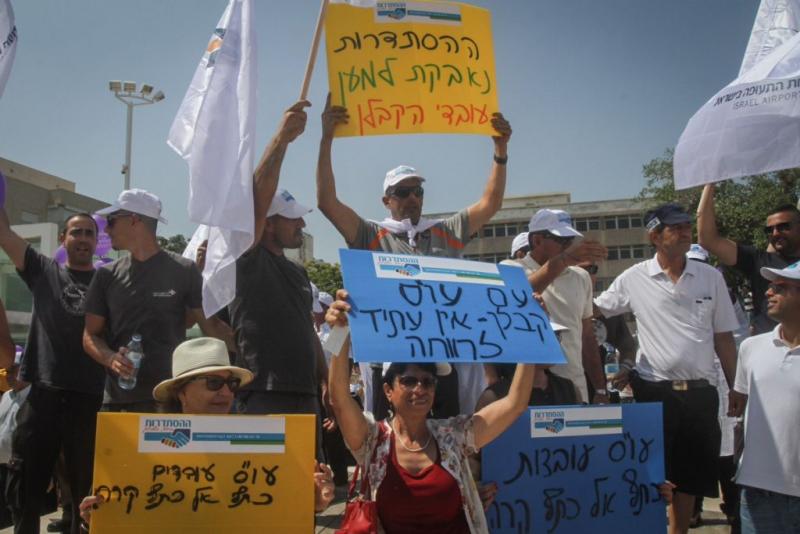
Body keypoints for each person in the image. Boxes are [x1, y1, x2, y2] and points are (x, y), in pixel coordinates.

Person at [317, 95, 512, 416]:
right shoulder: (369, 234)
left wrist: (500, 152)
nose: (412, 198)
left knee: (442, 438)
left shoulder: (445, 231)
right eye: (402, 192)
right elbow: (327, 201)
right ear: (386, 200)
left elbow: (490, 203)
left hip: (440, 361)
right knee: (386, 441)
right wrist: (326, 139)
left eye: (418, 191)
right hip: (387, 361)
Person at [326, 289, 536, 533]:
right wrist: (340, 330)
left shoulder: (453, 436)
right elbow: (338, 398)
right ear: (387, 391)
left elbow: (515, 404)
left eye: (428, 382)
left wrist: (530, 331)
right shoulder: (372, 439)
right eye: (408, 381)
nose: (420, 388)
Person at [78, 337, 335, 527]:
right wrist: (96, 518)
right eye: (213, 383)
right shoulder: (134, 447)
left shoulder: (265, 447)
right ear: (181, 392)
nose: (225, 393)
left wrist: (310, 499)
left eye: (231, 384)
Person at [594, 203, 740, 534]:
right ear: (655, 236)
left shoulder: (711, 277)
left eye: (688, 225)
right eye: (676, 227)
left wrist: (735, 386)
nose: (686, 231)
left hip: (702, 394)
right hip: (654, 393)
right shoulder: (634, 278)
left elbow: (724, 340)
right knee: (653, 472)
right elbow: (595, 311)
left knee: (689, 479)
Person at [0, 206, 105, 534]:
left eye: (89, 233)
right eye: (76, 232)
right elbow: (5, 235)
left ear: (97, 241)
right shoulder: (44, 271)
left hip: (89, 399)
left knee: (85, 492)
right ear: (64, 238)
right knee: (27, 488)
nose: (83, 238)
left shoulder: (109, 281)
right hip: (43, 395)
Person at [83, 189, 232, 413]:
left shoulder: (185, 270)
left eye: (112, 221)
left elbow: (210, 326)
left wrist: (255, 357)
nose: (106, 229)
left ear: (134, 220)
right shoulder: (106, 275)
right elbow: (89, 334)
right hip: (118, 401)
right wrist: (111, 358)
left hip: (167, 401)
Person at [227, 102, 328, 431]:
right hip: (262, 395)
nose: (301, 222)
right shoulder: (247, 258)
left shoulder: (298, 272)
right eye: (290, 217)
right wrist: (281, 139)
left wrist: (324, 380)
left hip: (305, 394)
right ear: (267, 223)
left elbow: (307, 332)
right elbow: (255, 198)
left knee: (310, 482)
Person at [501, 209, 608, 403]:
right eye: (561, 240)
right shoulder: (510, 268)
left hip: (574, 388)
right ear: (537, 240)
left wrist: (600, 389)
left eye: (570, 240)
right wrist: (562, 261)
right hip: (526, 391)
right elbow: (518, 298)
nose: (568, 246)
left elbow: (587, 337)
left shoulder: (580, 276)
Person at [728, 262, 800, 533]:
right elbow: (742, 409)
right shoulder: (750, 348)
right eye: (770, 285)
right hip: (758, 495)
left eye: (780, 287)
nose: (769, 292)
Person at [697, 184, 800, 334]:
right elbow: (708, 240)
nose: (775, 233)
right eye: (769, 230)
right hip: (769, 350)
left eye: (784, 226)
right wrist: (709, 183)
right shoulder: (759, 261)